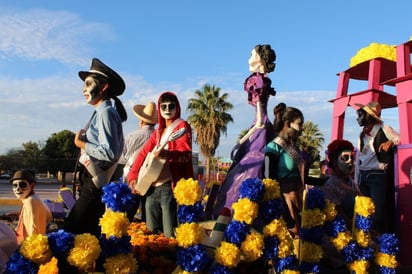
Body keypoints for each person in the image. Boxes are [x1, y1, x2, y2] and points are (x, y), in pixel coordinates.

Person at [63, 58, 127, 237]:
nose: (84, 89)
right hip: (92, 181)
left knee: (69, 232)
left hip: (94, 182)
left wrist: (81, 143)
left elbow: (109, 153)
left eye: (88, 84)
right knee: (88, 235)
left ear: (104, 86)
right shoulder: (101, 112)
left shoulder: (106, 113)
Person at [213, 44, 276, 217]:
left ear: (260, 59)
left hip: (259, 128)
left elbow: (259, 122)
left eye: (251, 54)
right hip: (261, 126)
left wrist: (241, 141)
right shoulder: (262, 80)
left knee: (248, 167)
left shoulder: (258, 81)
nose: (248, 58)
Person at [128, 91, 193, 237]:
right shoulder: (158, 132)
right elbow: (143, 154)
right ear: (159, 109)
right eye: (163, 107)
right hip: (150, 187)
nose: (168, 110)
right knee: (151, 233)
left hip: (169, 187)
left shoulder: (182, 126)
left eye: (171, 106)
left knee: (170, 234)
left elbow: (186, 153)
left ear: (177, 107)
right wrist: (133, 176)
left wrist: (168, 154)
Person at [354, 101, 400, 233]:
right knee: (363, 212)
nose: (358, 119)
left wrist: (391, 142)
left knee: (378, 214)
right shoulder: (361, 134)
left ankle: (382, 244)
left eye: (361, 115)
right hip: (363, 175)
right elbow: (358, 159)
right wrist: (357, 180)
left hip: (377, 176)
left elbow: (400, 138)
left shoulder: (383, 129)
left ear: (369, 116)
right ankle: (367, 242)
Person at [264, 103, 305, 238]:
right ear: (287, 124)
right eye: (299, 124)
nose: (302, 128)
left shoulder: (294, 148)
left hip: (298, 198)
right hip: (285, 203)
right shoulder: (273, 147)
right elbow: (268, 178)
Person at [120, 102, 158, 222]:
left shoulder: (132, 136)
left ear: (141, 121)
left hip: (132, 178)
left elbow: (120, 158)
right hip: (153, 178)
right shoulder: (158, 137)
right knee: (149, 214)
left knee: (128, 213)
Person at [318, 139, 359, 225]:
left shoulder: (351, 182)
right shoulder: (329, 186)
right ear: (334, 161)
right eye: (345, 158)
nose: (350, 162)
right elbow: (342, 218)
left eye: (352, 158)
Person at [10, 169, 52, 244]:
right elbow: (48, 217)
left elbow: (33, 232)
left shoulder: (31, 201)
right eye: (15, 185)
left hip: (30, 247)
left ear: (32, 186)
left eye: (22, 185)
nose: (18, 189)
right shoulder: (32, 199)